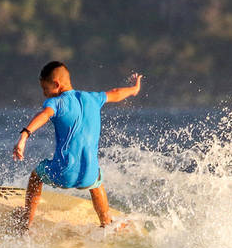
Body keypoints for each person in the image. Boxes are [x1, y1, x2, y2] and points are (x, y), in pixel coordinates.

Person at [12, 61, 142, 230]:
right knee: (96, 180)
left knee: (36, 176)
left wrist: (24, 135)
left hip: (63, 174)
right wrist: (134, 89)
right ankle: (106, 222)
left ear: (57, 84)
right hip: (88, 176)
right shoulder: (93, 98)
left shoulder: (56, 103)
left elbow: (44, 115)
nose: (44, 95)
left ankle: (25, 222)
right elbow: (116, 93)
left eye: (45, 89)